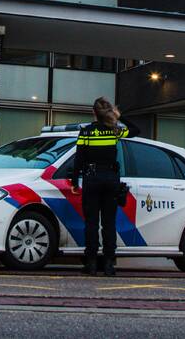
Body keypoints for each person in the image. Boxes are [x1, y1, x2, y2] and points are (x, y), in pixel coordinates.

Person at [70, 97, 140, 276]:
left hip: (92, 179)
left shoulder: (86, 132)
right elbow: (136, 130)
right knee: (109, 224)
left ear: (94, 112)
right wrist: (119, 116)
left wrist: (74, 181)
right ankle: (109, 264)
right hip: (111, 179)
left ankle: (91, 264)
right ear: (109, 113)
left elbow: (79, 158)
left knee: (91, 224)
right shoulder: (114, 131)